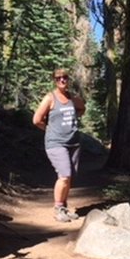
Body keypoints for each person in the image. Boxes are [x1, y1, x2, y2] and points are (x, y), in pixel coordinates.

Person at [33, 68, 86, 222]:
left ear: (68, 79)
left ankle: (63, 206)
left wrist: (75, 118)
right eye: (58, 78)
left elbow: (82, 108)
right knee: (64, 175)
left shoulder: (73, 98)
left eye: (65, 77)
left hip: (74, 142)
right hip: (56, 143)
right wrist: (49, 129)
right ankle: (57, 209)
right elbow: (37, 119)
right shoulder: (50, 98)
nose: (62, 80)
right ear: (54, 81)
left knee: (69, 178)